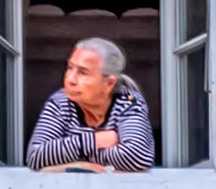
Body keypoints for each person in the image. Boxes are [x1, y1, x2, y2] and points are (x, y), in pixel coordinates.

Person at [28, 36, 155, 173]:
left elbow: (137, 157)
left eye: (83, 73)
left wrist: (64, 160)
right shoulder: (60, 101)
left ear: (109, 83)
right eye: (70, 68)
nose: (70, 79)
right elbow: (35, 157)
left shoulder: (129, 101)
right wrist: (96, 140)